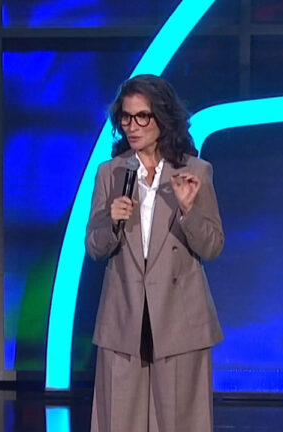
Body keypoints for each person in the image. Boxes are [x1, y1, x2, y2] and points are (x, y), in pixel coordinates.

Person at [86, 74, 224, 432]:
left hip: (179, 319)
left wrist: (189, 211)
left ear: (163, 118)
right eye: (126, 118)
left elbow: (212, 245)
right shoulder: (110, 173)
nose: (133, 126)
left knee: (180, 422)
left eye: (142, 116)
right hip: (124, 316)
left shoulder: (195, 172)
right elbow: (94, 247)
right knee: (119, 419)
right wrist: (112, 222)